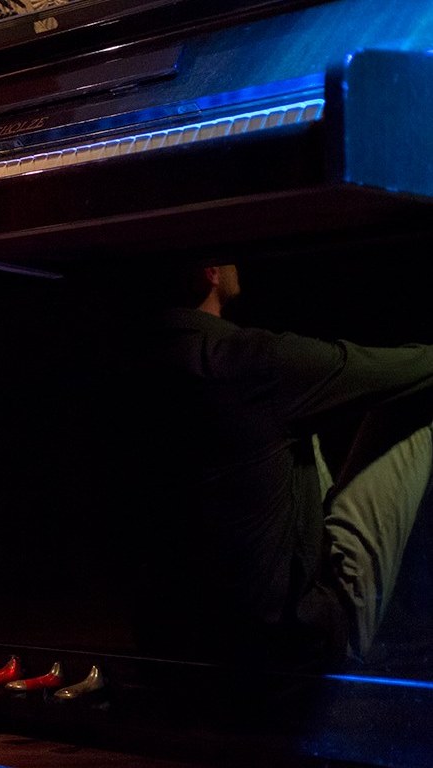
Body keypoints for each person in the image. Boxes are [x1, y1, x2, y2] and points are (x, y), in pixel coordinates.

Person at [127, 264, 433, 670]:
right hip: (294, 650)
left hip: (181, 646)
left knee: (292, 425)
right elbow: (394, 370)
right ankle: (396, 636)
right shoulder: (250, 362)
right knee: (414, 394)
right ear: (211, 272)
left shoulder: (130, 369)